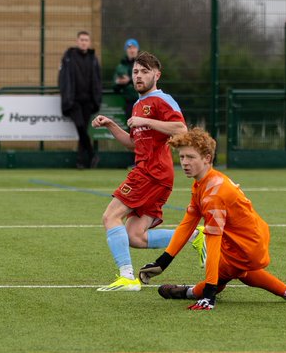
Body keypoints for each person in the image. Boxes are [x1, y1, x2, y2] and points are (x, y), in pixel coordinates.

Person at [137, 127, 286, 310]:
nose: (185, 163)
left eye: (191, 157)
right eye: (182, 157)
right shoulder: (203, 183)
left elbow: (213, 240)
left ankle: (189, 292)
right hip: (249, 239)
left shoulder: (214, 194)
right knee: (238, 272)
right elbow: (187, 224)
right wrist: (162, 262)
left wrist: (209, 295)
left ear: (207, 159)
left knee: (221, 275)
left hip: (245, 245)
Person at [91, 51, 190, 291]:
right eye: (135, 71)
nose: (138, 76)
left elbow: (181, 129)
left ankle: (127, 277)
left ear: (157, 75)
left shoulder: (160, 99)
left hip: (151, 172)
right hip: (152, 172)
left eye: (144, 72)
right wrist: (112, 125)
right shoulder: (138, 104)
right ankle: (194, 237)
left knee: (110, 216)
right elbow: (134, 143)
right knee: (135, 236)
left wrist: (149, 122)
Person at [58, 30, 103, 169]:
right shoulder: (69, 57)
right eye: (81, 40)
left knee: (82, 130)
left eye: (86, 40)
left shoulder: (93, 59)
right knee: (80, 127)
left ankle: (80, 161)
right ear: (77, 41)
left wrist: (97, 99)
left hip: (88, 101)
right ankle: (92, 154)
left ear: (89, 43)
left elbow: (97, 80)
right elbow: (62, 78)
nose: (84, 42)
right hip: (74, 100)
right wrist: (66, 96)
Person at [113, 38, 140, 113]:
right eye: (129, 48)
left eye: (134, 47)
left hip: (142, 100)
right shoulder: (120, 66)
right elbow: (114, 87)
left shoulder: (143, 64)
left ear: (138, 49)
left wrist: (129, 80)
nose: (132, 50)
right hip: (128, 102)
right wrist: (118, 82)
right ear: (126, 50)